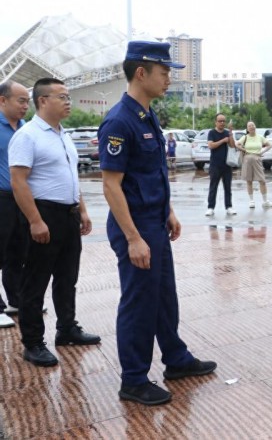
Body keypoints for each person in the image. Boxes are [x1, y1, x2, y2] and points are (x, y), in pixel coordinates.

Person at [99, 41, 217, 406]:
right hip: (135, 226)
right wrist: (134, 238)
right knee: (139, 302)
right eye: (164, 73)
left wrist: (167, 212)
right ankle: (133, 379)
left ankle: (176, 359)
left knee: (164, 295)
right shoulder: (119, 120)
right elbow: (111, 184)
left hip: (154, 221)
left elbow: (149, 173)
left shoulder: (145, 114)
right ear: (141, 73)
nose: (169, 79)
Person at [9, 78, 100, 368]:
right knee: (35, 282)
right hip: (44, 215)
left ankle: (67, 329)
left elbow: (71, 176)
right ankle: (33, 343)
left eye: (68, 96)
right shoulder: (28, 136)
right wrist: (35, 221)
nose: (68, 101)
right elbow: (18, 182)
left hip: (69, 214)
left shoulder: (63, 135)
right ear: (43, 100)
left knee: (67, 277)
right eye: (62, 96)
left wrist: (82, 210)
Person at [0, 81, 30, 329]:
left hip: (21, 198)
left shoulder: (26, 129)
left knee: (17, 252)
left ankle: (16, 299)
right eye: (21, 100)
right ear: (2, 100)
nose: (25, 106)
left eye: (27, 101)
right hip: (0, 198)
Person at [205, 113, 236, 216]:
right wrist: (223, 141)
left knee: (228, 187)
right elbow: (211, 145)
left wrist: (230, 133)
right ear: (216, 122)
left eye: (224, 121)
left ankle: (229, 207)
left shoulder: (227, 133)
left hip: (227, 165)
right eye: (220, 121)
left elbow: (232, 145)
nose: (222, 123)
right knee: (213, 186)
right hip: (215, 165)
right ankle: (210, 207)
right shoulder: (211, 133)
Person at [237, 121, 272, 208]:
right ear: (247, 129)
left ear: (255, 126)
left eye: (253, 125)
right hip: (247, 159)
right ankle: (251, 201)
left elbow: (269, 145)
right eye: (249, 126)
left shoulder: (260, 137)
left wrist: (262, 152)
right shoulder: (245, 137)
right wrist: (244, 150)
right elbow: (237, 144)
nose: (251, 127)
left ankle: (265, 201)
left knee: (262, 180)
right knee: (249, 180)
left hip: (257, 159)